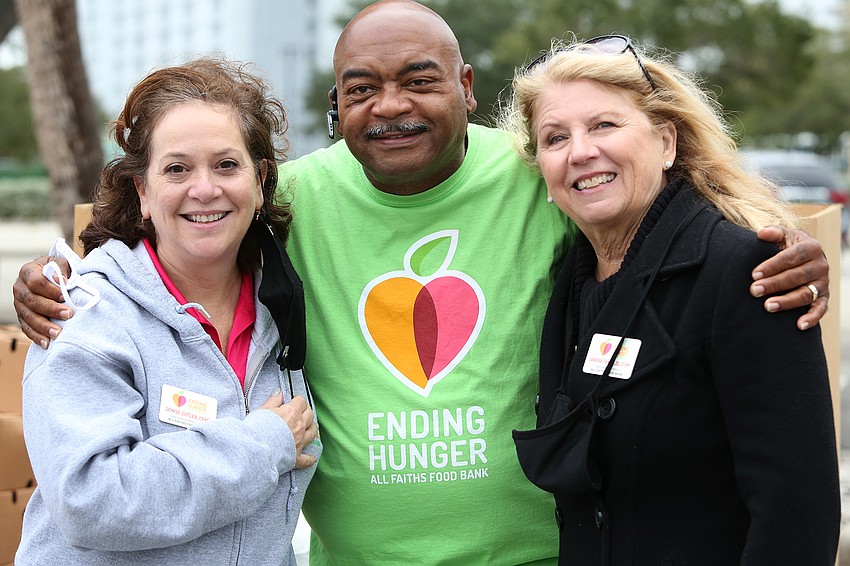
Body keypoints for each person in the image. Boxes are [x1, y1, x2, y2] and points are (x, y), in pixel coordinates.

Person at [11, 2, 832, 564]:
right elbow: (165, 225)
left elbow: (655, 207)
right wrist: (54, 274)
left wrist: (777, 238)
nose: (390, 105)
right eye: (362, 89)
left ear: (467, 88)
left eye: (419, 79)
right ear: (337, 105)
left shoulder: (535, 172)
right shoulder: (287, 197)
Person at [502, 36, 840, 564]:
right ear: (542, 170)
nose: (581, 151)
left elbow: (796, 513)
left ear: (666, 143)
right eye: (555, 138)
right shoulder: (566, 280)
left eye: (604, 125)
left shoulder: (748, 270)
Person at [16, 58, 320, 565]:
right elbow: (91, 501)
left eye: (227, 164)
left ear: (261, 179)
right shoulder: (88, 316)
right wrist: (263, 446)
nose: (205, 189)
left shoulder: (283, 310)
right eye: (177, 168)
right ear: (143, 191)